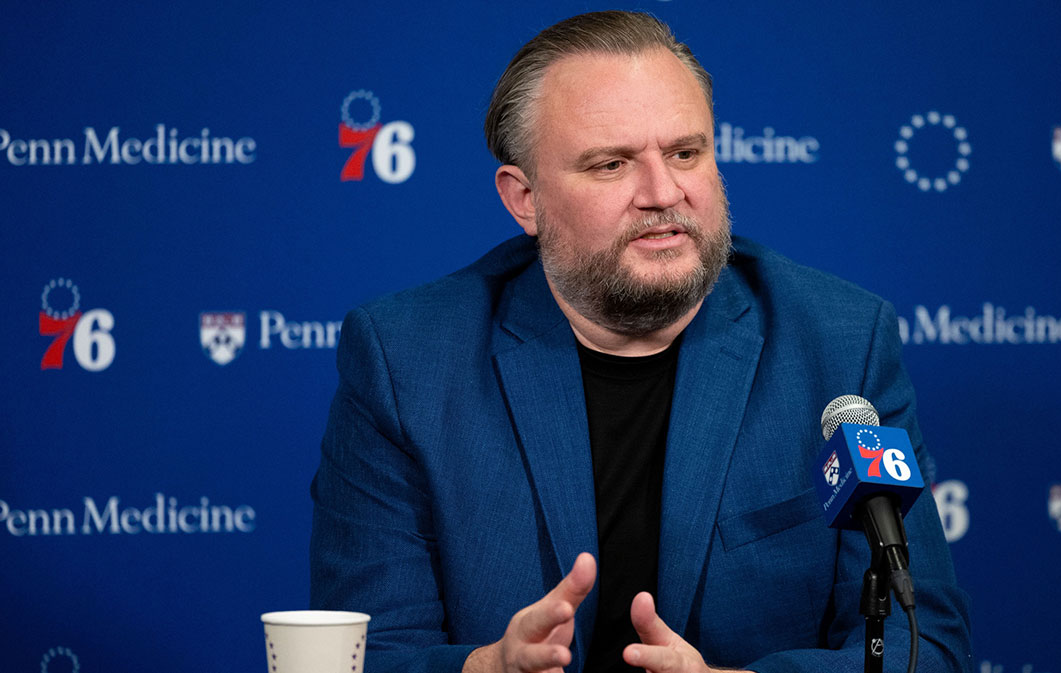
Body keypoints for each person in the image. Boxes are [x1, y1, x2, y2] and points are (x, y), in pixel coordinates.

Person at [310, 10, 970, 673]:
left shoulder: (839, 345)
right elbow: (368, 651)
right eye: (612, 164)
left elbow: (924, 646)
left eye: (686, 153)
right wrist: (485, 669)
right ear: (524, 198)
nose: (663, 192)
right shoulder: (406, 361)